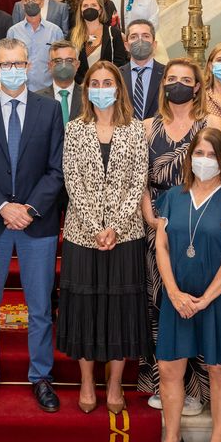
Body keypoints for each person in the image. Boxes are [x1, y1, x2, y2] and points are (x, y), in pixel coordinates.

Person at [140, 127, 221, 442]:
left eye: (211, 155)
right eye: (198, 153)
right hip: (178, 298)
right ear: (190, 157)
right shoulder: (174, 197)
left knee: (220, 370)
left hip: (220, 299)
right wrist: (173, 292)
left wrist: (205, 298)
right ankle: (172, 438)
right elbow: (161, 245)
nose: (204, 160)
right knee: (169, 368)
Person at [0, 37, 65, 413]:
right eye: (4, 64)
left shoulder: (50, 110)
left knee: (39, 308)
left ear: (29, 65)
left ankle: (40, 377)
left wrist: (30, 209)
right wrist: (5, 207)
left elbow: (57, 170)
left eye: (18, 63)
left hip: (37, 224)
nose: (12, 70)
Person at [57, 61, 150, 414]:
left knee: (119, 311)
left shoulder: (135, 130)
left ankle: (113, 385)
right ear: (86, 90)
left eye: (107, 82)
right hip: (84, 235)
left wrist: (116, 224)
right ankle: (85, 382)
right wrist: (97, 226)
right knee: (85, 309)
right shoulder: (75, 130)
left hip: (125, 236)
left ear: (118, 88)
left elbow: (139, 180)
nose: (100, 87)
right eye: (94, 82)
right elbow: (72, 180)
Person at [138, 58, 221, 415]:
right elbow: (139, 180)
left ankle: (194, 388)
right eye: (171, 78)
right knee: (161, 305)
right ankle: (163, 381)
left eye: (185, 79)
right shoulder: (146, 126)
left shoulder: (211, 123)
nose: (177, 84)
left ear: (198, 86)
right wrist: (152, 219)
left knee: (194, 301)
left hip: (199, 226)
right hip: (157, 224)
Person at [6, 0, 66, 91]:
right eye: (26, 0)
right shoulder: (13, 32)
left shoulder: (55, 31)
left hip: (47, 91)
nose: (30, 3)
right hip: (19, 90)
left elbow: (60, 63)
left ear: (42, 2)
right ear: (22, 5)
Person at [71, 0, 128, 81]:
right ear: (80, 11)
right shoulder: (72, 35)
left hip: (108, 86)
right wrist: (83, 84)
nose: (89, 8)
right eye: (85, 6)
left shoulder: (113, 33)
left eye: (94, 5)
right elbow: (70, 65)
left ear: (100, 10)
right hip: (81, 87)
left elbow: (120, 64)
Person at [118, 19, 163, 121]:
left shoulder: (167, 74)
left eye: (145, 36)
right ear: (126, 46)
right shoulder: (116, 75)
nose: (140, 40)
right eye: (134, 37)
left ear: (154, 44)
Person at [33, 40, 82, 124]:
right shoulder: (36, 100)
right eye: (58, 61)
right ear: (50, 65)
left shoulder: (89, 97)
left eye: (69, 60)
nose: (63, 65)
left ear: (77, 65)